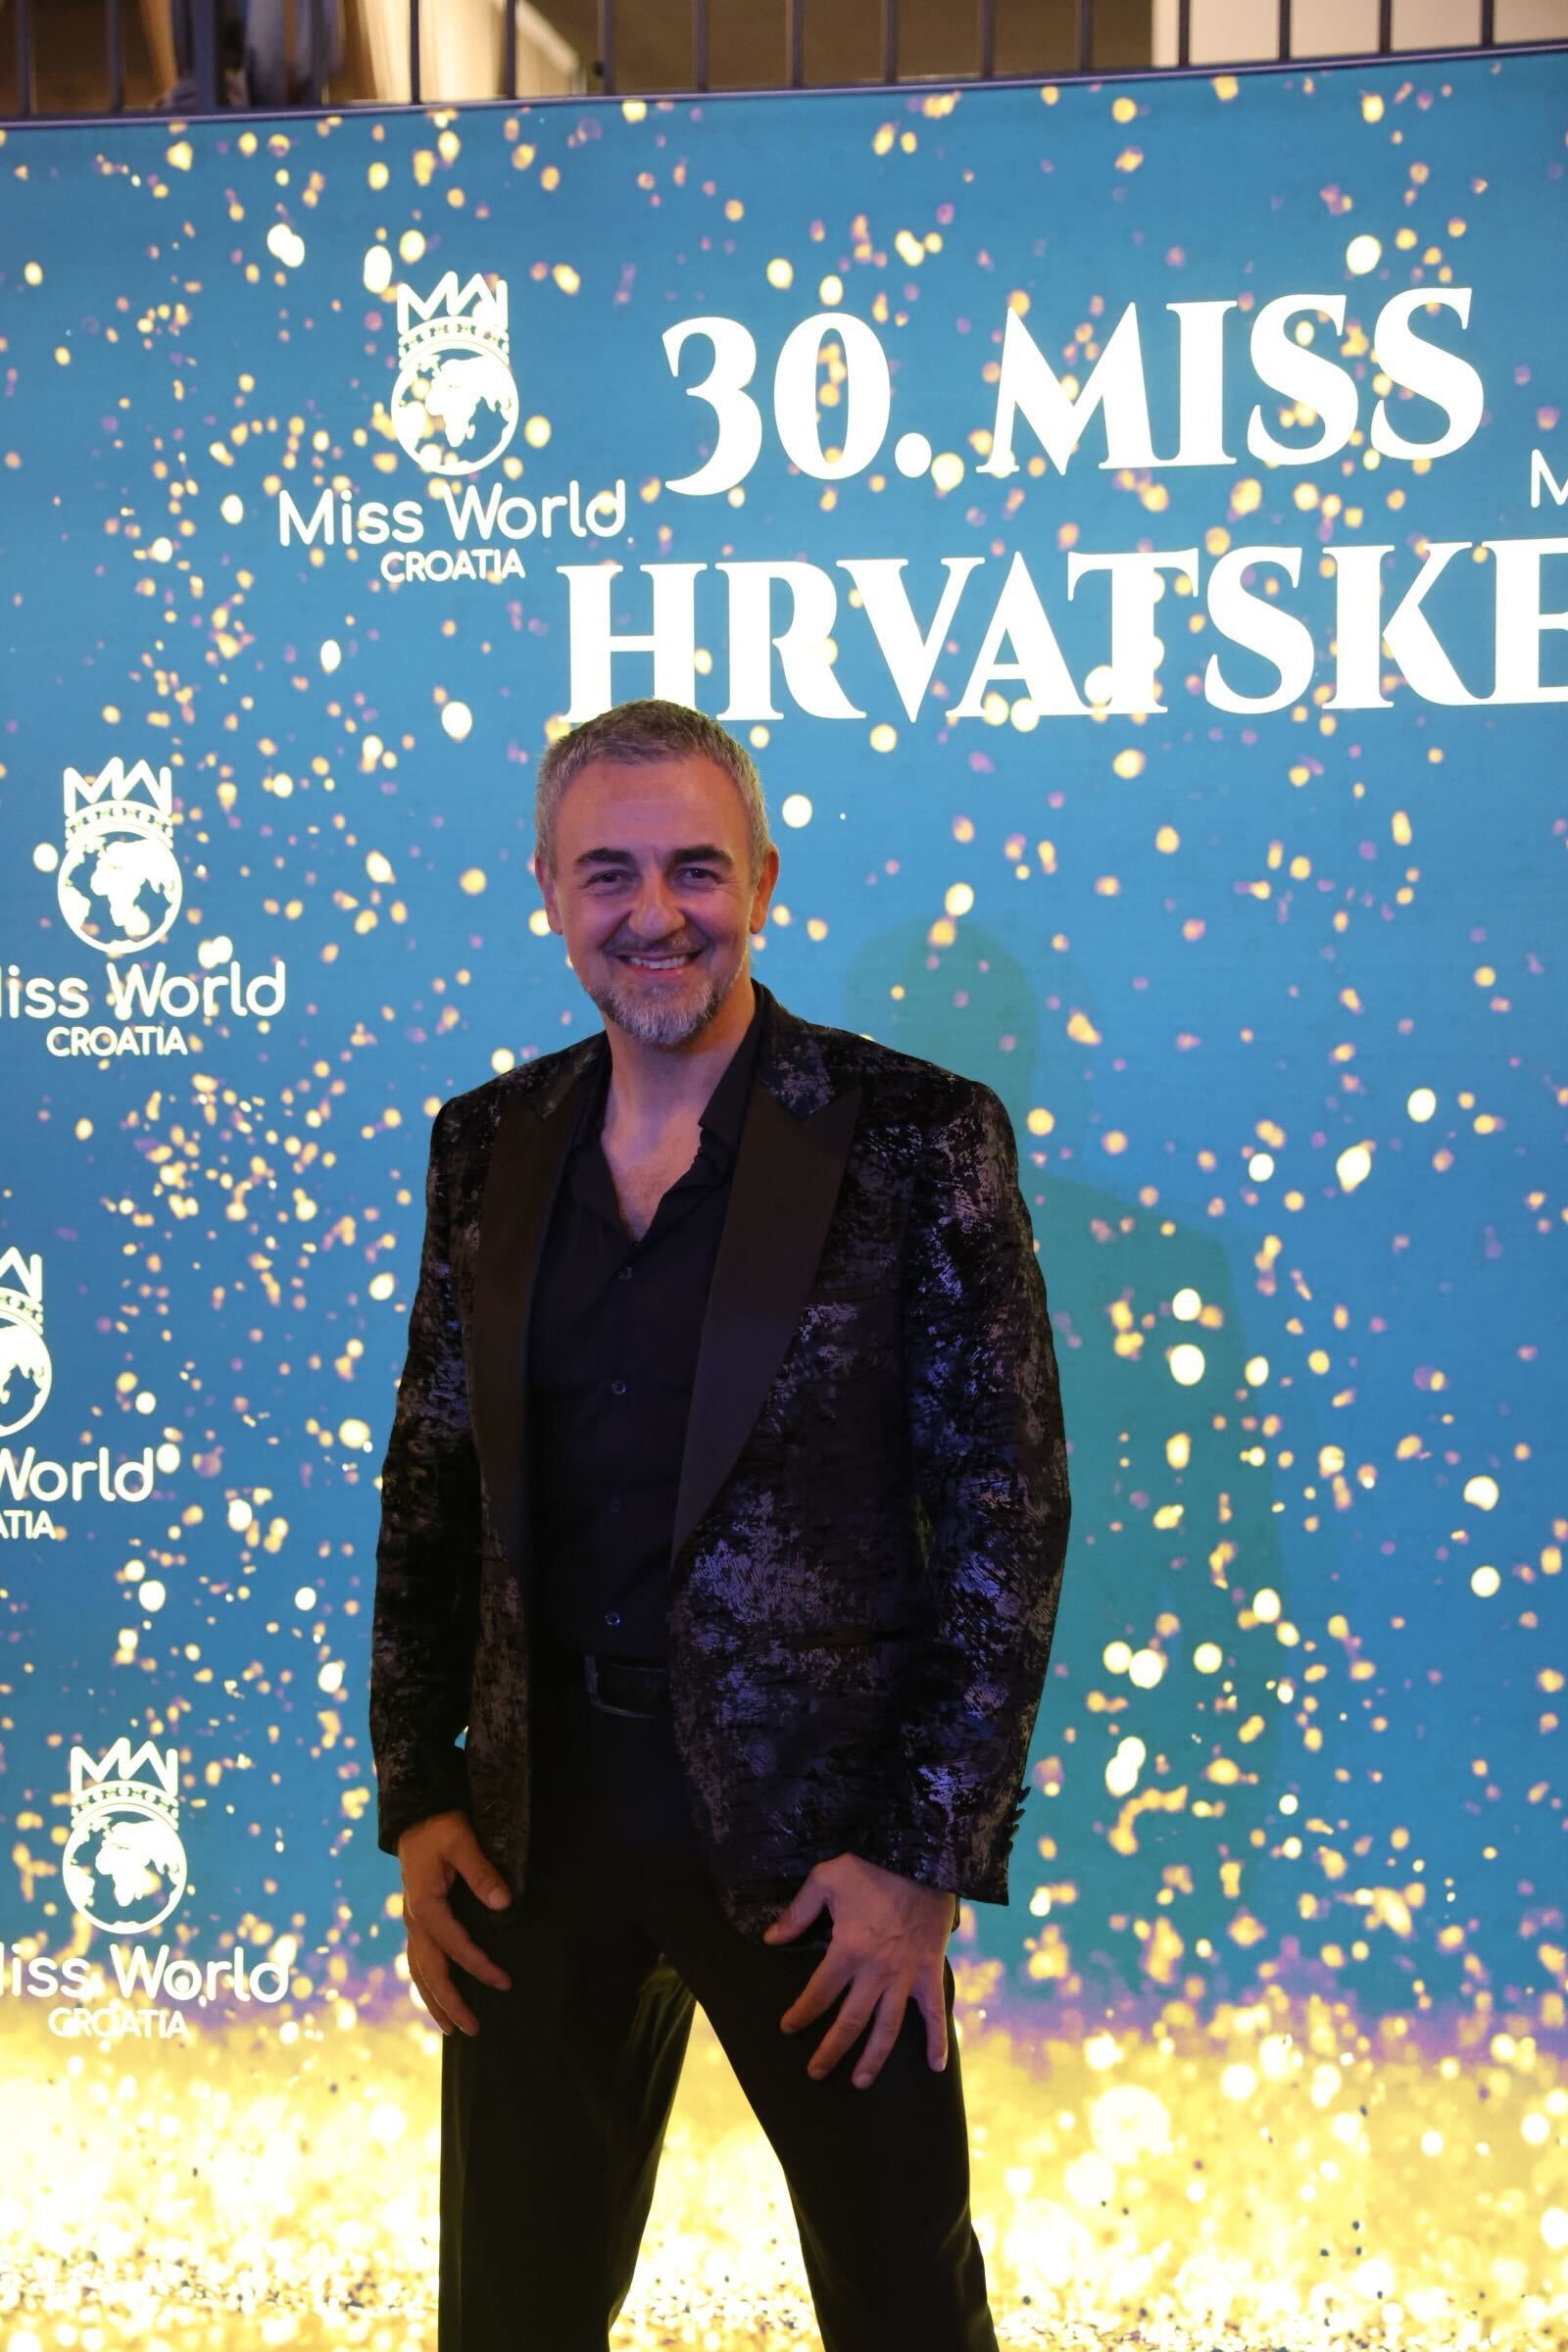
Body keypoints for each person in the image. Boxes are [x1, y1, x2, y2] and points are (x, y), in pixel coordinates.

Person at [368, 697, 1072, 2351]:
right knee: (510, 2315)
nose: (656, 913)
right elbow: (433, 1480)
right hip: (535, 1830)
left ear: (761, 877)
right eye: (608, 874)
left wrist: (920, 1858)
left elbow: (1006, 1512)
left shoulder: (919, 1138)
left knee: (905, 2308)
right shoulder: (487, 1143)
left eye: (695, 867)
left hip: (826, 1860)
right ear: (550, 892)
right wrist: (421, 1791)